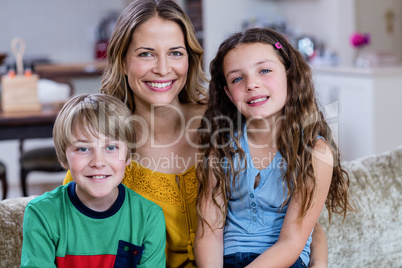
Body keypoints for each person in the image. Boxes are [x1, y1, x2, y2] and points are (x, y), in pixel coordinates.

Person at [63, 1, 328, 267]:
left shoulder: (228, 121)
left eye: (176, 53)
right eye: (146, 54)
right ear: (122, 61)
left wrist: (318, 261)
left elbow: (292, 218)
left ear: (190, 60)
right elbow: (75, 234)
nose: (163, 68)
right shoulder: (101, 145)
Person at [195, 28, 355, 268]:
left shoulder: (315, 153)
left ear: (289, 75)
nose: (252, 84)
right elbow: (209, 233)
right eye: (237, 78)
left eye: (265, 70)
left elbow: (292, 242)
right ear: (228, 93)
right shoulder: (221, 148)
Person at [22, 94, 166, 267]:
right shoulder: (42, 214)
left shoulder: (149, 217)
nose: (98, 162)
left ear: (128, 156)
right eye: (83, 148)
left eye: (111, 147)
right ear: (63, 158)